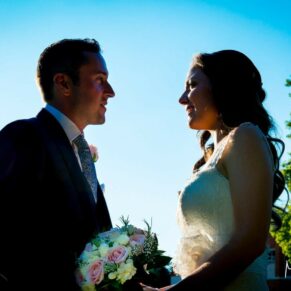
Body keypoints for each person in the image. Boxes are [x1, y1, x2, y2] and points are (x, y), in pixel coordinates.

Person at [142, 50, 286, 290]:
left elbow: (250, 242)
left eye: (192, 85)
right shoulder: (209, 160)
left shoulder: (245, 136)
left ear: (222, 87)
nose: (182, 98)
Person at [0, 39, 115, 290]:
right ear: (63, 83)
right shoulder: (24, 136)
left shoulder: (84, 157)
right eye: (99, 79)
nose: (111, 91)